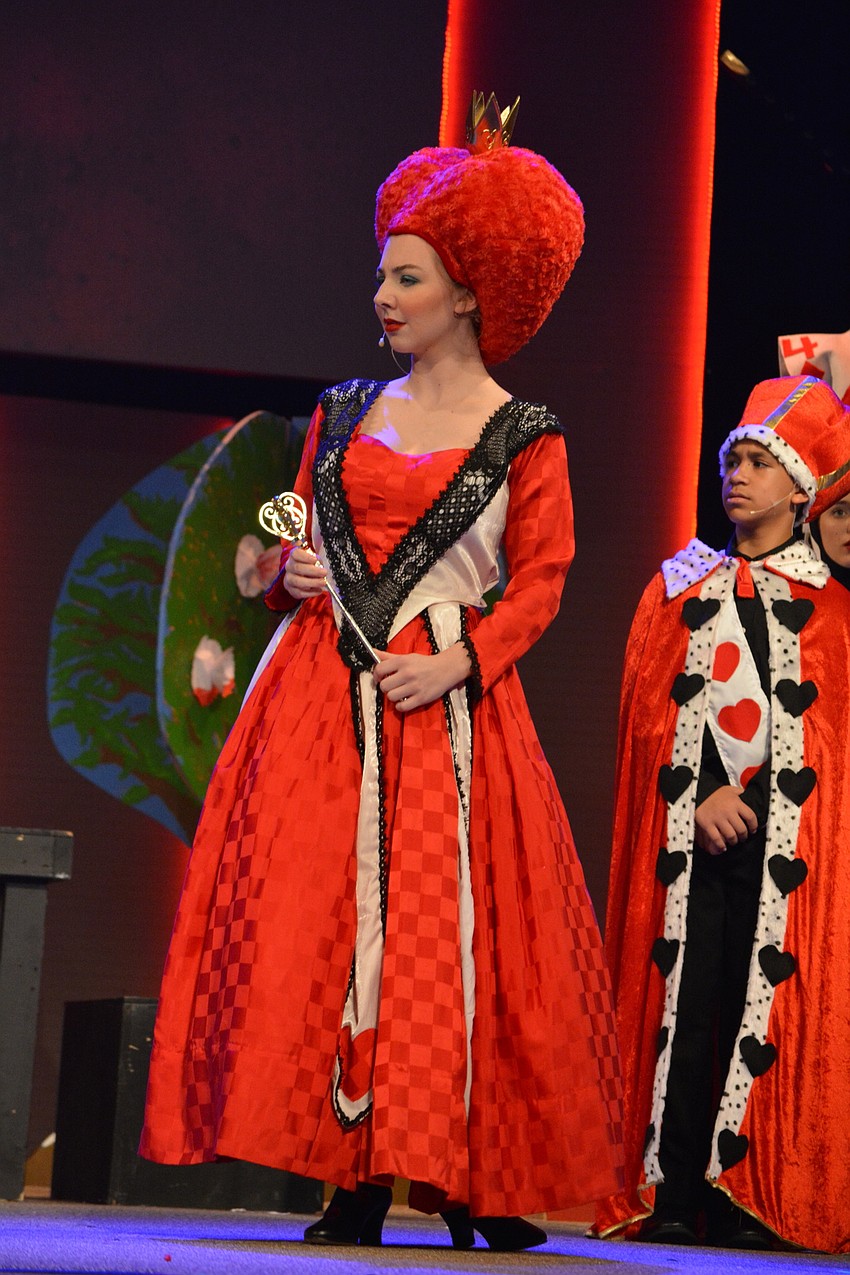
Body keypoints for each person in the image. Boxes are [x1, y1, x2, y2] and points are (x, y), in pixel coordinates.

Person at [140, 94, 623, 1250]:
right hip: (321, 695)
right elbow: (290, 531)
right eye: (382, 276)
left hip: (446, 703)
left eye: (407, 277)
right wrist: (286, 568)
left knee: (448, 933)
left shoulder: (526, 434)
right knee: (322, 922)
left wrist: (459, 661)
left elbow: (541, 581)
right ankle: (345, 1172)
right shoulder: (344, 411)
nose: (384, 296)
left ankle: (468, 1180)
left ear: (469, 292)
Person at [593, 374, 850, 1253]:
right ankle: (672, 1188)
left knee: (762, 1001)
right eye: (731, 460)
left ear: (799, 488)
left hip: (786, 852)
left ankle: (750, 1190)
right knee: (688, 1000)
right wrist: (700, 790)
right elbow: (648, 713)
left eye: (757, 462)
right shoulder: (677, 587)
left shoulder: (833, 612)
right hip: (690, 840)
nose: (736, 476)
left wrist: (768, 801)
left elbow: (830, 745)